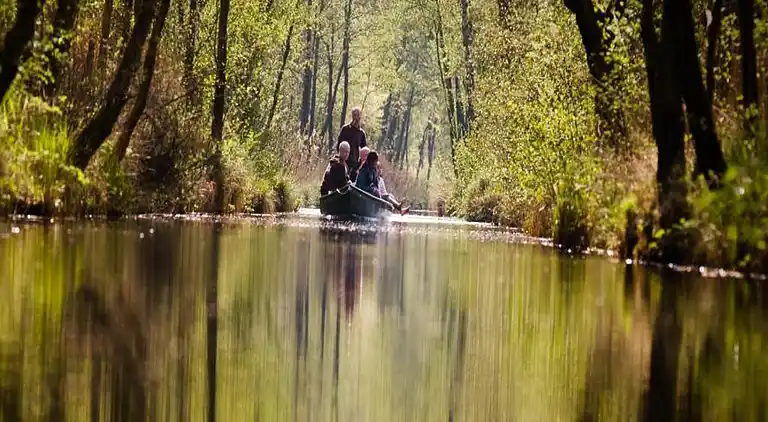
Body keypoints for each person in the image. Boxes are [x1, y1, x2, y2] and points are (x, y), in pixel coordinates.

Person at [336, 107, 367, 181]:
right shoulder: (345, 129)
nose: (356, 117)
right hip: (343, 162)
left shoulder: (361, 133)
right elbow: (338, 146)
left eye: (357, 115)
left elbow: (364, 151)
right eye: (354, 115)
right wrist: (342, 161)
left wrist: (360, 165)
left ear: (360, 117)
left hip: (355, 165)